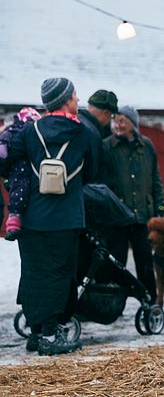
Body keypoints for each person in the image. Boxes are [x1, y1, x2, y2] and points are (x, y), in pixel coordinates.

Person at [9, 77, 95, 355]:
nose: (78, 100)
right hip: (66, 216)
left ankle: (36, 332)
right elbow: (93, 171)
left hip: (33, 216)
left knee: (34, 274)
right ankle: (51, 333)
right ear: (66, 100)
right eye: (75, 96)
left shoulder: (30, 131)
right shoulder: (84, 133)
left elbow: (11, 162)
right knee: (59, 274)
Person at [103, 106, 163, 304]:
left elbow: (156, 180)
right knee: (116, 263)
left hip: (143, 216)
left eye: (122, 121)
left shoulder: (146, 146)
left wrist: (159, 211)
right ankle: (115, 305)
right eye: (116, 121)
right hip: (117, 216)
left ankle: (150, 303)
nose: (117, 125)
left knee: (145, 263)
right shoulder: (107, 147)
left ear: (132, 124)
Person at [0, 107, 43, 240]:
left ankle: (14, 221)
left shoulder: (12, 131)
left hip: (19, 169)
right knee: (19, 191)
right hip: (21, 169)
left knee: (19, 190)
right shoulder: (19, 131)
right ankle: (13, 222)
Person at [78, 89, 118, 181]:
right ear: (106, 113)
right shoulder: (93, 134)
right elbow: (92, 173)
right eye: (111, 116)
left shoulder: (74, 122)